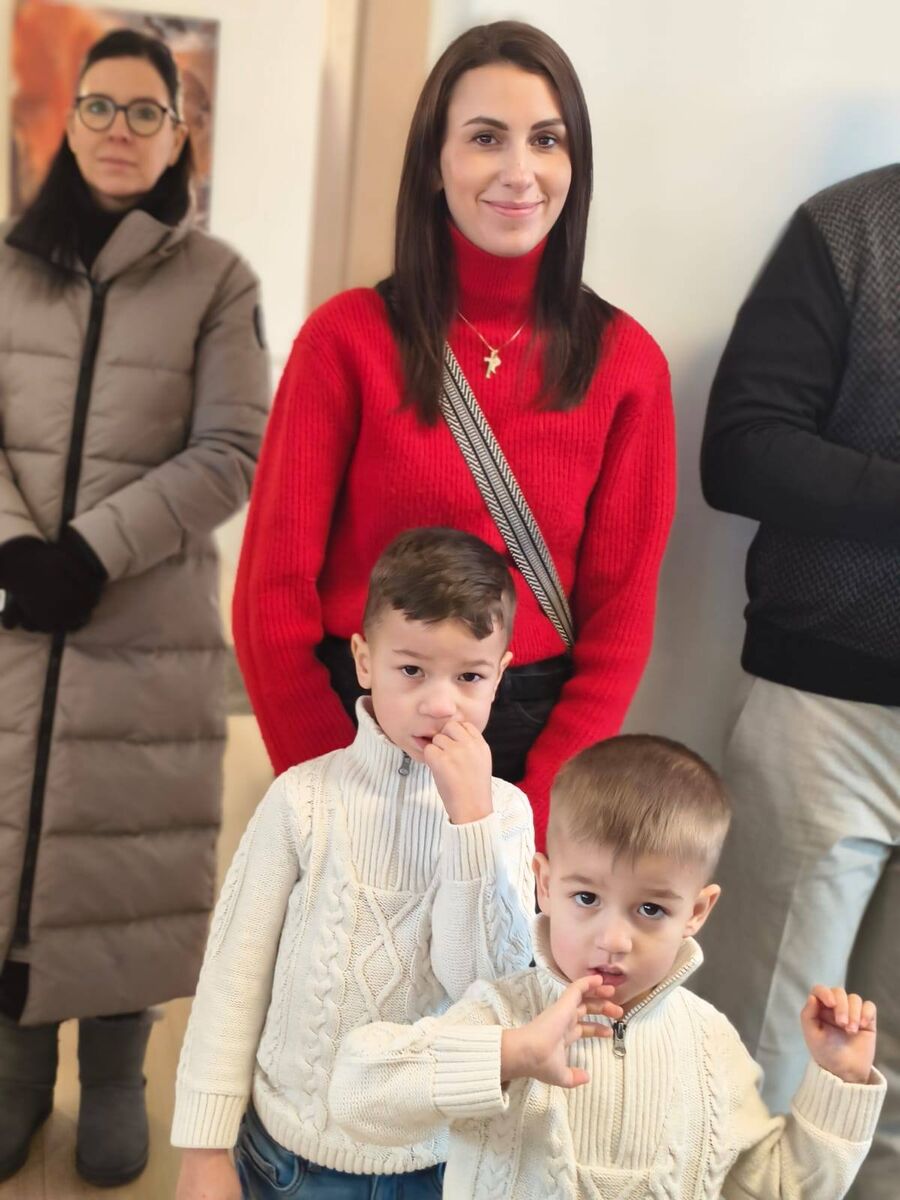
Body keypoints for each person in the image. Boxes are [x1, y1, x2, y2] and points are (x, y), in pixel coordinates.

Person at [232, 20, 676, 850]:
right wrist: (329, 790)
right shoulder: (347, 340)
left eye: (546, 140)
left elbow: (620, 622)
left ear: (574, 163)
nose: (519, 171)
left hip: (528, 742)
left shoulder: (627, 364)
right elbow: (271, 598)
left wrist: (534, 818)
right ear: (435, 164)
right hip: (357, 725)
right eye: (485, 138)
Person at [0, 29, 268, 1187]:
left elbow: (231, 450)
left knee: (128, 858)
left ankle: (116, 1074)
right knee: (13, 848)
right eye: (100, 108)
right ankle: (17, 1074)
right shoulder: (6, 267)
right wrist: (17, 549)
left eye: (145, 111)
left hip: (144, 626)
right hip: (17, 617)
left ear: (178, 133)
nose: (120, 130)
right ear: (69, 126)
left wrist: (91, 551)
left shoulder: (218, 280)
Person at [330, 735, 886, 1199]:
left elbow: (778, 1188)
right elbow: (356, 1097)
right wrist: (512, 1053)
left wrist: (842, 1082)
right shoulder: (504, 1014)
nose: (614, 940)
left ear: (696, 912)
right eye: (587, 898)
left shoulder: (710, 1045)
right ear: (545, 885)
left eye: (651, 910)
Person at [172, 527, 536, 1200]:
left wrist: (470, 824)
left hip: (436, 1163)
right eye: (412, 670)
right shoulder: (302, 800)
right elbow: (233, 976)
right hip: (290, 1156)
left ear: (500, 673)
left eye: (469, 676)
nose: (440, 703)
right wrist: (203, 1148)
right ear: (364, 660)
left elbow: (486, 990)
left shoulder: (504, 817)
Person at [697, 166, 900, 1199]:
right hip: (828, 714)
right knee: (764, 1060)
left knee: (891, 1096)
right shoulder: (850, 230)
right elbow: (742, 450)